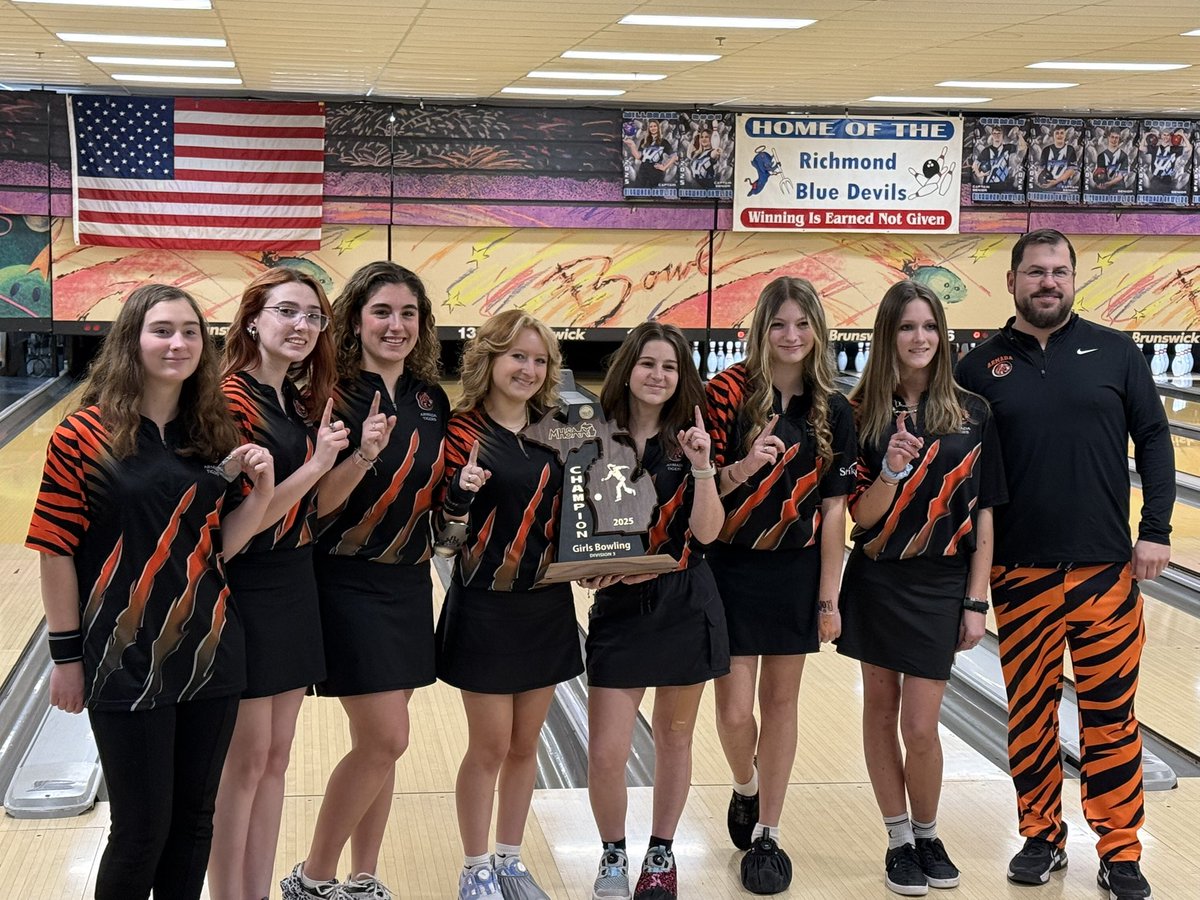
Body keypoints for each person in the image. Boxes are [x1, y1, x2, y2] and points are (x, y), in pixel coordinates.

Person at [26, 284, 274, 900]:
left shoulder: (216, 433)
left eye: (190, 331)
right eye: (162, 329)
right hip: (120, 654)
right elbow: (55, 548)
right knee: (141, 830)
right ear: (131, 339)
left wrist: (262, 494)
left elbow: (220, 545)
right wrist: (65, 657)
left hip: (210, 647)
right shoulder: (81, 436)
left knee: (193, 825)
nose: (178, 343)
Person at [956, 229, 1174, 900]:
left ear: (1074, 279)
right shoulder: (977, 367)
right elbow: (956, 471)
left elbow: (1157, 437)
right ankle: (1042, 836)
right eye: (1034, 272)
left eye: (1058, 272)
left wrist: (1156, 530)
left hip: (1106, 569)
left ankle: (1120, 850)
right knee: (1029, 713)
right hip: (1019, 575)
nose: (1047, 282)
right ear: (1013, 282)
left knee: (1112, 714)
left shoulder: (1116, 352)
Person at [281, 261, 449, 900]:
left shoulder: (431, 398)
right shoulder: (330, 394)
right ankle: (312, 877)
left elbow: (439, 494)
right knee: (387, 737)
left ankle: (362, 879)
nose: (396, 325)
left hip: (408, 581)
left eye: (409, 314)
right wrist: (363, 455)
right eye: (382, 311)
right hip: (344, 581)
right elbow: (316, 505)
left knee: (381, 746)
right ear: (355, 319)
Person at [837, 280, 1005, 896]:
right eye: (907, 327)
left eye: (929, 327)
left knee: (922, 725)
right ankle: (898, 840)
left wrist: (975, 599)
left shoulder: (974, 411)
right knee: (880, 713)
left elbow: (986, 512)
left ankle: (929, 833)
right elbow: (860, 516)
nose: (920, 338)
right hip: (879, 578)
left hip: (941, 582)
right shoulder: (859, 415)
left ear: (944, 334)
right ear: (888, 336)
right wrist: (891, 470)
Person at [704, 276, 857, 894]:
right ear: (760, 329)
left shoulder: (834, 406)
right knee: (736, 708)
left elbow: (835, 514)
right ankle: (746, 786)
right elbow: (702, 487)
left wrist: (829, 599)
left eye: (802, 325)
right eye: (778, 324)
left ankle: (767, 831)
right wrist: (745, 465)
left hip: (795, 572)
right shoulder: (726, 393)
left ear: (817, 331)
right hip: (730, 566)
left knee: (782, 703)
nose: (791, 337)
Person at [209, 269, 347, 900]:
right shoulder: (229, 400)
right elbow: (248, 517)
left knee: (276, 757)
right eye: (287, 311)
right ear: (253, 320)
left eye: (314, 316)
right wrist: (319, 464)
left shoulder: (289, 400)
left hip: (295, 581)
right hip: (246, 583)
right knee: (244, 762)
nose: (302, 326)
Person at [437, 309, 582, 900]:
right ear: (490, 359)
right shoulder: (460, 432)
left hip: (546, 604)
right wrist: (455, 499)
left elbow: (590, 514)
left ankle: (510, 858)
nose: (528, 368)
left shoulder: (562, 429)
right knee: (491, 746)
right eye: (517, 356)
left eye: (539, 359)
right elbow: (443, 543)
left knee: (527, 747)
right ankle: (475, 867)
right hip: (487, 606)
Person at [582, 322, 729, 900]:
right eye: (648, 363)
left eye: (669, 366)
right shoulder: (592, 438)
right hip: (619, 605)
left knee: (673, 737)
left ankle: (661, 855)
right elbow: (578, 529)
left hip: (685, 600)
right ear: (628, 369)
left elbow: (708, 534)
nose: (658, 375)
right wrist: (587, 565)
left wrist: (702, 466)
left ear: (681, 376)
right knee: (607, 749)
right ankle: (613, 854)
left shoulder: (691, 439)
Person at [624, 119, 678, 190]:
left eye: (655, 126)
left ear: (658, 128)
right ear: (648, 128)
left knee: (655, 195)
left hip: (656, 171)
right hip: (643, 170)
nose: (653, 128)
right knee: (639, 194)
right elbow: (638, 156)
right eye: (651, 126)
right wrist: (632, 145)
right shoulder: (644, 141)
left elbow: (674, 156)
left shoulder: (664, 142)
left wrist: (664, 167)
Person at [1034, 125, 1078, 191]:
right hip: (1047, 182)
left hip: (1063, 186)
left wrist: (1056, 181)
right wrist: (1042, 181)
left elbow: (1071, 170)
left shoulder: (1070, 149)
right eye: (1057, 133)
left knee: (1078, 174)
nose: (1059, 135)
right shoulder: (1046, 150)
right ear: (1053, 136)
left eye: (1062, 133)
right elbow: (1041, 168)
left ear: (1065, 135)